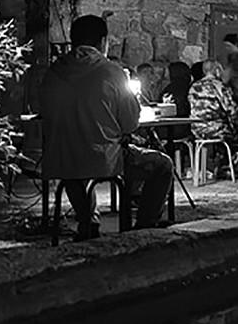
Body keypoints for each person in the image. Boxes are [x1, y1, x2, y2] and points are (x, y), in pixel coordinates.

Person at [39, 15, 173, 239]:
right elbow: (130, 123)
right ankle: (144, 227)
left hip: (61, 157)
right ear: (103, 42)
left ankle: (87, 222)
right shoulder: (111, 71)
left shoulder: (53, 72)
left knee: (74, 171)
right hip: (103, 157)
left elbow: (43, 109)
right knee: (163, 165)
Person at [188, 60, 238, 146]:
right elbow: (231, 110)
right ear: (217, 71)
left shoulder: (193, 87)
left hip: (197, 130)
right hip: (216, 129)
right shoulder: (219, 86)